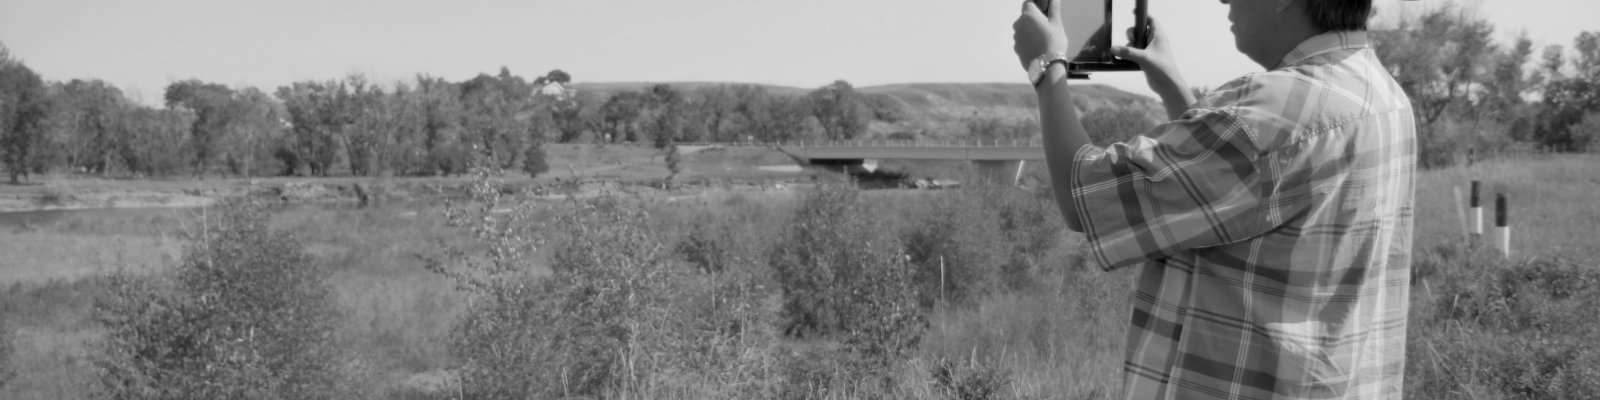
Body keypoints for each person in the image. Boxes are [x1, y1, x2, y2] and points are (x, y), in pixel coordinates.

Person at [1012, 0, 1415, 398]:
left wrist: (1047, 67)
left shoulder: (1267, 116)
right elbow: (1242, 187)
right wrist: (1170, 83)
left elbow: (1082, 196)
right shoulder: (1380, 93)